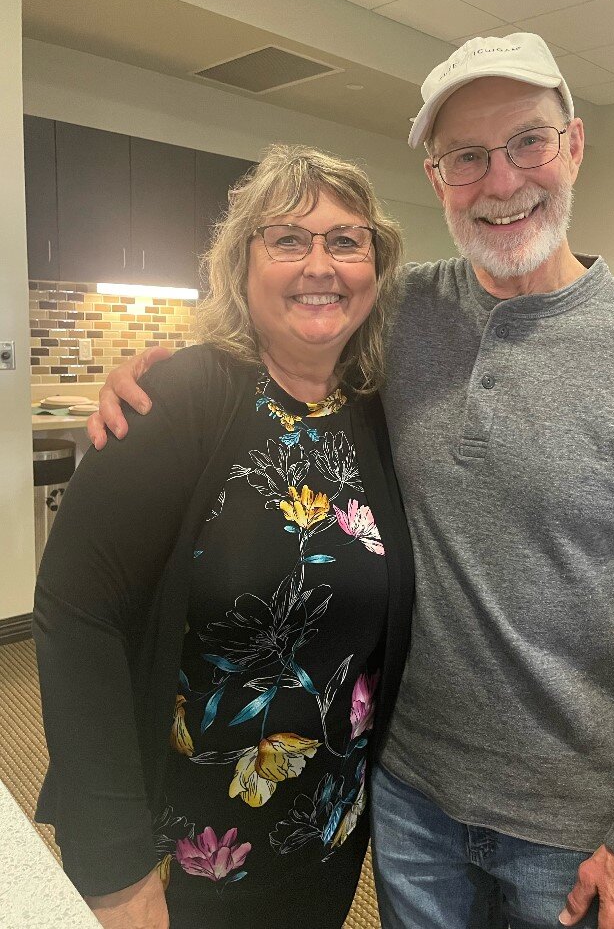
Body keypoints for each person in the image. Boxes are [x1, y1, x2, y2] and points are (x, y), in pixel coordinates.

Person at [86, 34, 614, 929]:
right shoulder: (395, 315)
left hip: (576, 828)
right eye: (466, 157)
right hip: (407, 802)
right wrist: (156, 376)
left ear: (575, 146)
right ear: (437, 179)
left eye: (528, 142)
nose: (501, 181)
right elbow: (278, 344)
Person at [33, 144, 414, 929]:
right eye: (288, 239)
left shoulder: (375, 414)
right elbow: (77, 615)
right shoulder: (183, 397)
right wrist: (113, 866)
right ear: (242, 264)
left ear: (376, 268)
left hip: (325, 835)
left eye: (346, 240)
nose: (320, 264)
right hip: (184, 852)